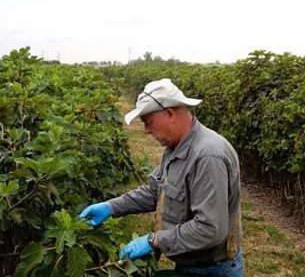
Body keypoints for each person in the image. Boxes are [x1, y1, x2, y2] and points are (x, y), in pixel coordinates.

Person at [79, 78, 243, 276]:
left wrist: (154, 240)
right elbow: (155, 191)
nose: (147, 130)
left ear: (170, 114)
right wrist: (110, 207)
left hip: (212, 270)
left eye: (148, 122)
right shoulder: (176, 146)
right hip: (190, 263)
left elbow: (209, 229)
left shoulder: (208, 156)